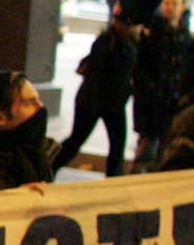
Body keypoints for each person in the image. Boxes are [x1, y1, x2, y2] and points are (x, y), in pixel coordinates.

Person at [52, 15, 143, 176]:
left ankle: (114, 180)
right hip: (93, 102)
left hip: (113, 103)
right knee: (77, 140)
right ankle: (49, 168)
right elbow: (95, 73)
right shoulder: (108, 41)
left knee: (116, 145)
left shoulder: (131, 42)